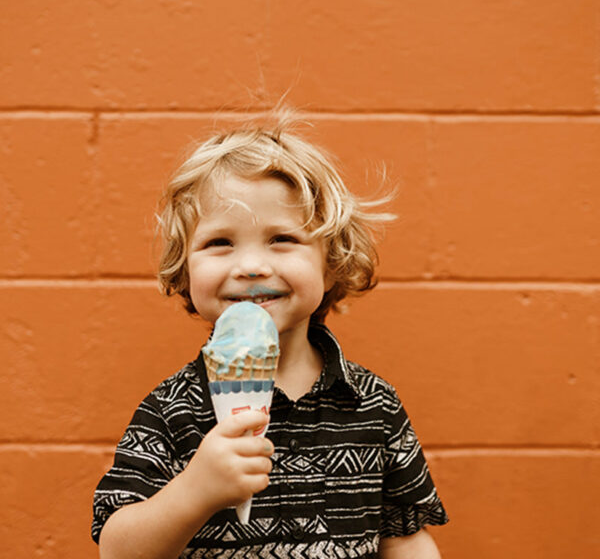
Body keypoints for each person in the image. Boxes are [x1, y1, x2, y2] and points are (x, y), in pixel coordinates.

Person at [92, 112, 449, 558]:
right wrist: (194, 491)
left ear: (331, 263)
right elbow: (117, 551)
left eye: (281, 238)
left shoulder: (373, 404)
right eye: (220, 243)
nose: (251, 266)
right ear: (184, 271)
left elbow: (405, 537)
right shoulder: (173, 408)